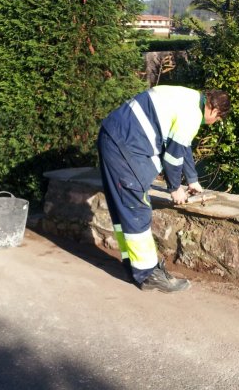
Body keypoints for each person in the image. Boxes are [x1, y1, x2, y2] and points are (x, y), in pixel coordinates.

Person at [97, 85, 231, 293]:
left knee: (123, 206)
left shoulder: (188, 98)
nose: (214, 123)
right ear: (214, 110)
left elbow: (182, 145)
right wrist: (175, 188)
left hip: (113, 136)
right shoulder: (192, 115)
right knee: (137, 208)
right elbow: (173, 157)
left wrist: (193, 180)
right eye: (218, 119)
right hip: (126, 145)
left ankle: (132, 266)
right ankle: (148, 274)